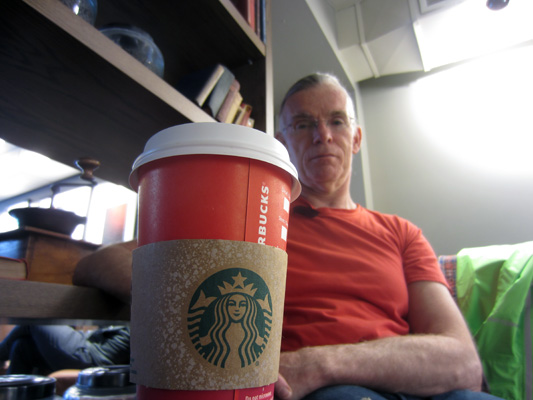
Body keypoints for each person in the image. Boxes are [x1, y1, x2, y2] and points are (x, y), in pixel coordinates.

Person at [73, 73, 502, 400]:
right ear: (282, 142)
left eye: (336, 121)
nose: (322, 135)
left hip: (414, 385)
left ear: (356, 138)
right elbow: (99, 262)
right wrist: (184, 296)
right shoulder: (253, 220)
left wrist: (319, 362)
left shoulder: (402, 233)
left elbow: (462, 362)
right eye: (303, 124)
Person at [0, 325, 130, 375]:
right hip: (87, 345)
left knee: (35, 321)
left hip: (90, 355)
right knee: (22, 346)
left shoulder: (140, 318)